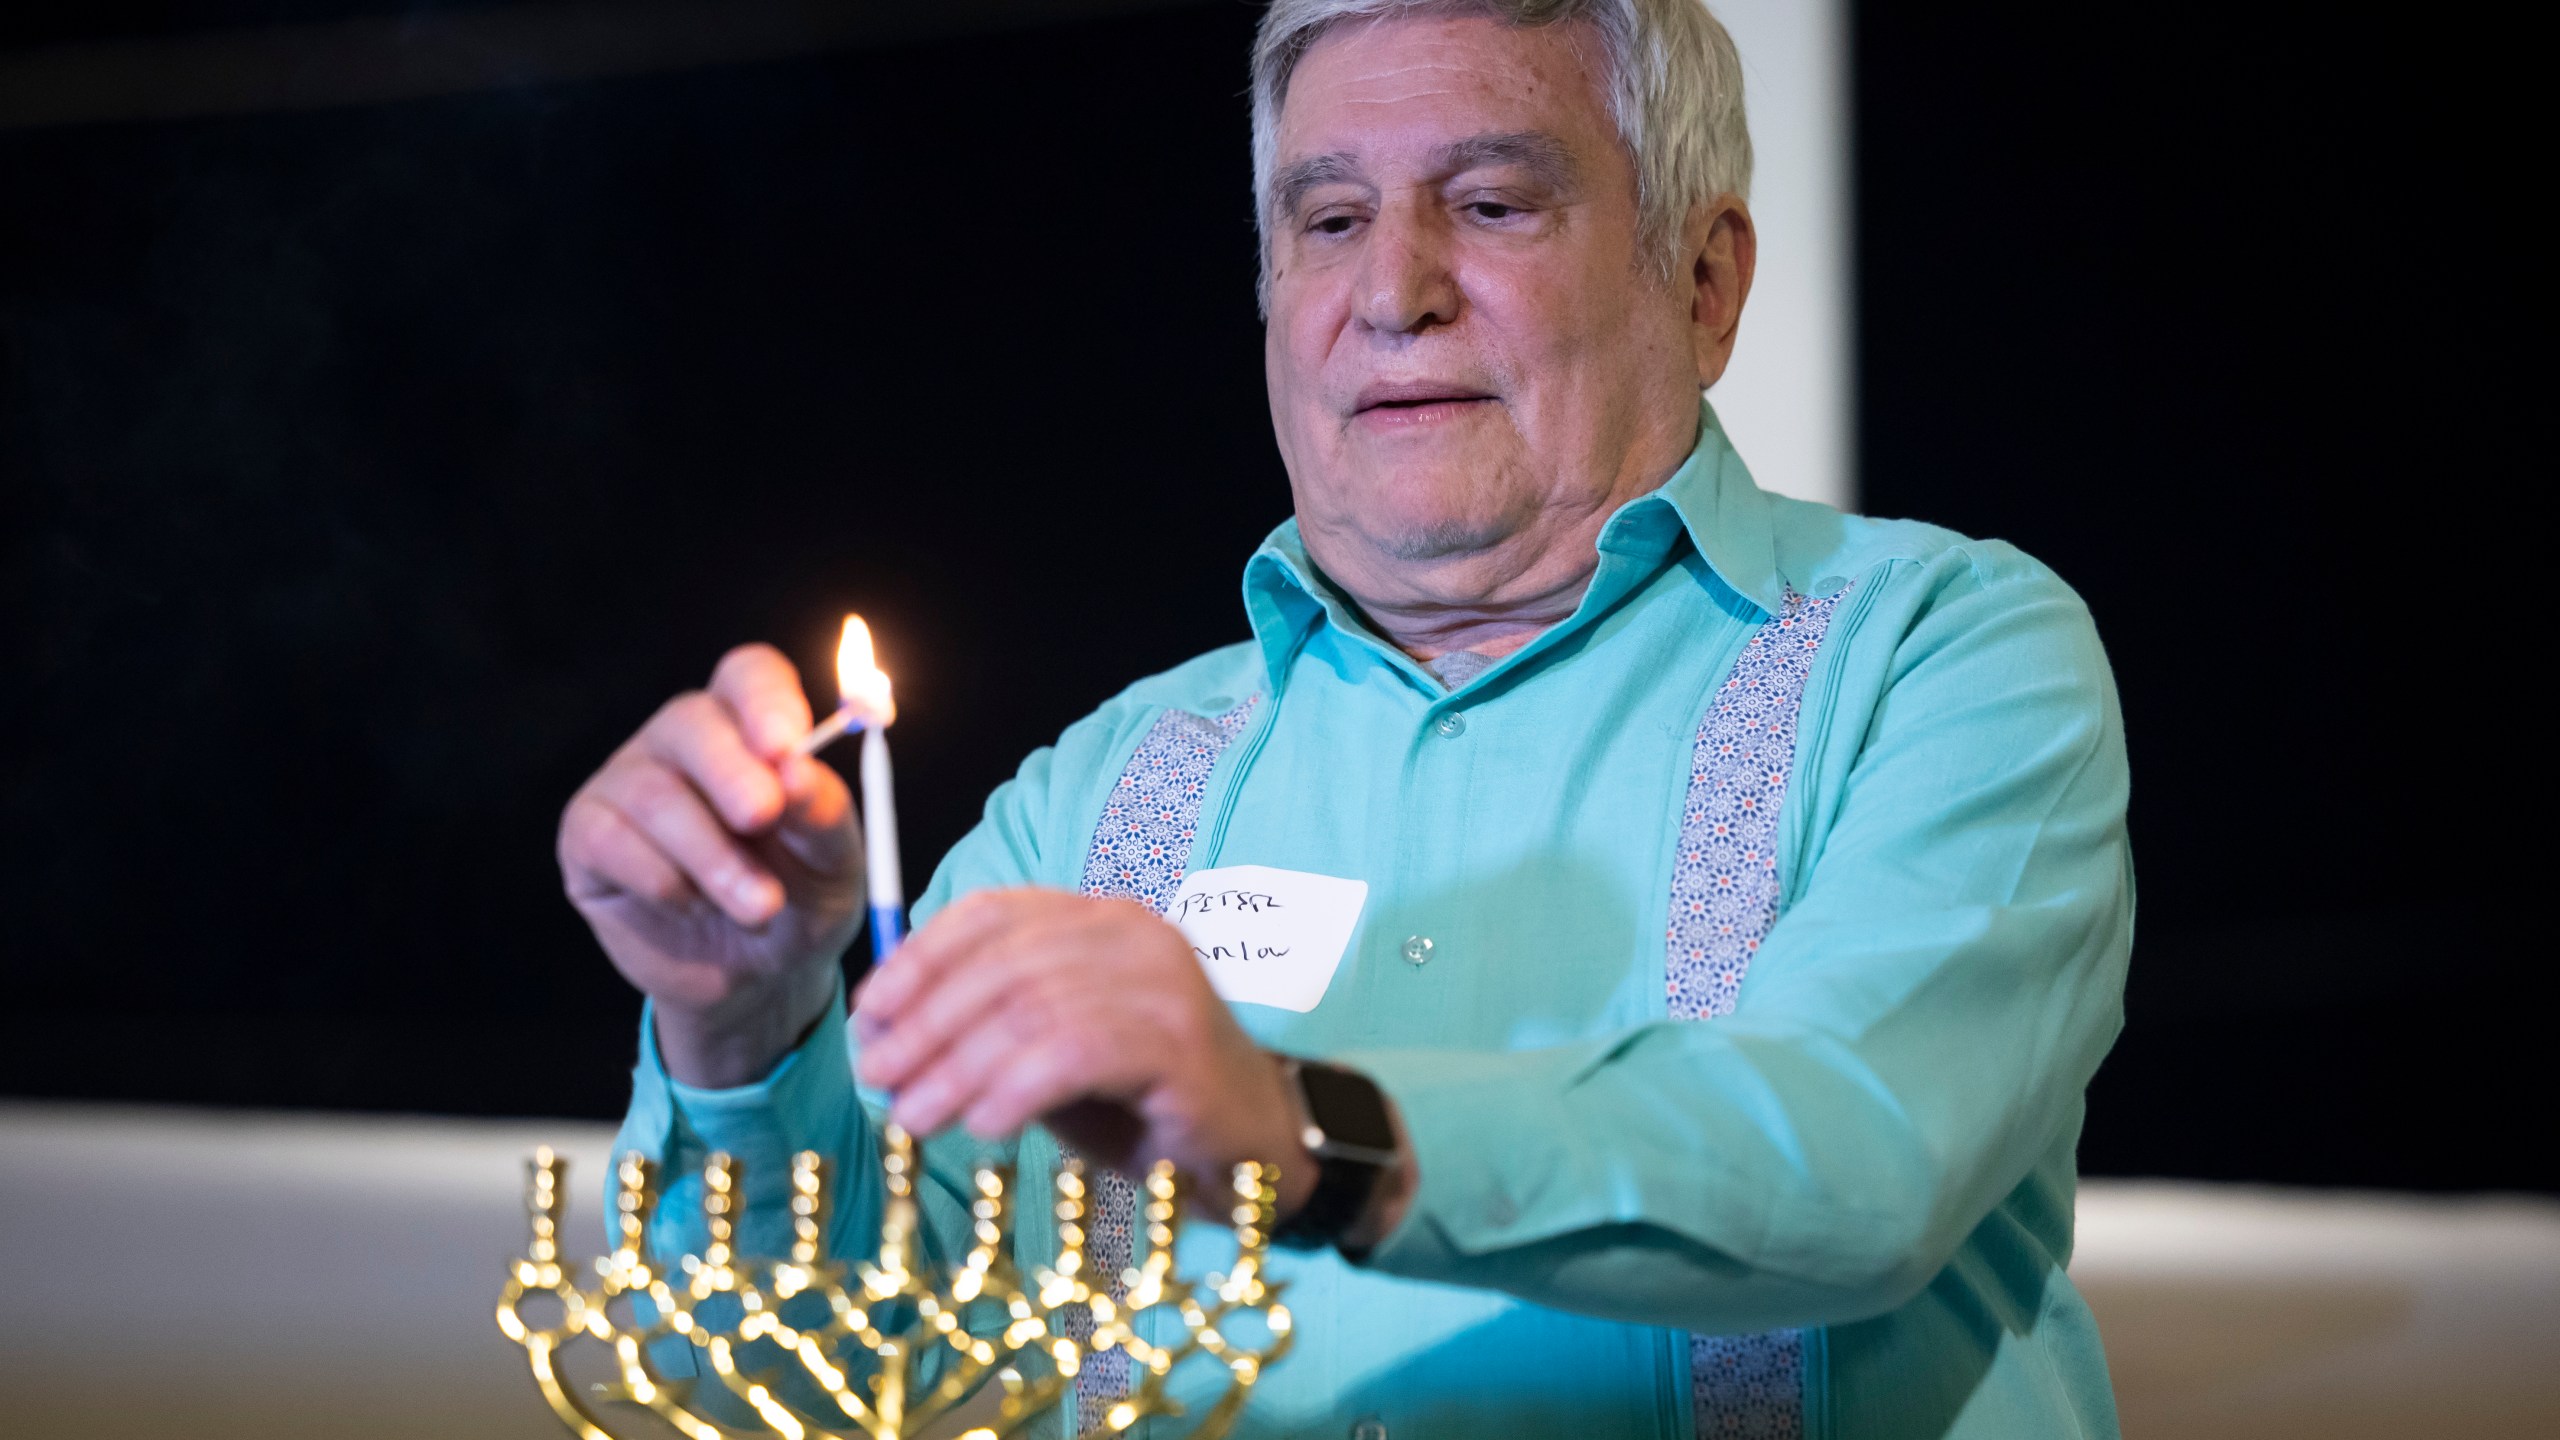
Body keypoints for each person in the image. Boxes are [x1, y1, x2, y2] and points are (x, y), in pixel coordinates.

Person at [555, 0, 2133, 1435]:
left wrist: (1308, 1134)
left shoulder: (1943, 656)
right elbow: (827, 1380)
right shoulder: (1095, 800)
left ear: (1704, 283)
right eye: (1329, 218)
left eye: (1495, 204)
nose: (1396, 291)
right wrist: (742, 1034)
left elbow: (1858, 1163)